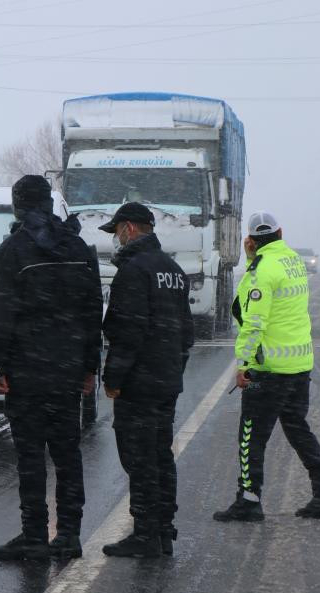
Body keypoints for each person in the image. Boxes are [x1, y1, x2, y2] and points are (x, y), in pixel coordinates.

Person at [0, 175, 103, 561]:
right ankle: (68, 534)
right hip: (67, 368)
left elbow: (0, 312)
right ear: (49, 203)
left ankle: (34, 533)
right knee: (68, 454)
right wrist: (89, 366)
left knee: (31, 456)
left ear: (19, 205)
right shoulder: (79, 247)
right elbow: (92, 312)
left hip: (27, 369)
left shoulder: (14, 249)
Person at [213, 212, 320, 523]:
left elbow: (249, 318)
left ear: (252, 241)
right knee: (298, 430)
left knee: (251, 435)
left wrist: (243, 365)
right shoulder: (294, 262)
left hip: (269, 367)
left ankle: (248, 499)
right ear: (281, 232)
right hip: (299, 364)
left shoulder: (261, 271)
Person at [100, 202, 194, 558]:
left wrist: (114, 377)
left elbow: (127, 333)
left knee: (139, 459)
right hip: (166, 379)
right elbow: (186, 332)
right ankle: (163, 529)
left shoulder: (133, 271)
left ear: (131, 228)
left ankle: (144, 532)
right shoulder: (172, 269)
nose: (116, 239)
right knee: (160, 456)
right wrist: (173, 368)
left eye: (117, 231)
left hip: (139, 382)